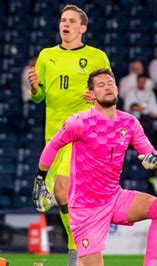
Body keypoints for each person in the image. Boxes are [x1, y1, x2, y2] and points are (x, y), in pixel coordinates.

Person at [32, 69, 157, 266]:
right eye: (100, 85)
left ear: (116, 88)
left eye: (110, 83)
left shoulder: (129, 122)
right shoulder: (78, 122)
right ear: (92, 94)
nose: (107, 86)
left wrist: (154, 159)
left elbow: (150, 151)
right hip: (85, 208)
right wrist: (40, 179)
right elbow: (53, 145)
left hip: (114, 198)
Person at [27, 5, 111, 265]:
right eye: (63, 20)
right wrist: (33, 88)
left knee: (63, 193)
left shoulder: (97, 56)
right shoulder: (46, 56)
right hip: (53, 137)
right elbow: (40, 98)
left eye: (72, 21)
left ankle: (76, 253)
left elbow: (110, 92)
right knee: (63, 196)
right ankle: (77, 248)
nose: (66, 24)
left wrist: (96, 95)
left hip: (81, 135)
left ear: (82, 28)